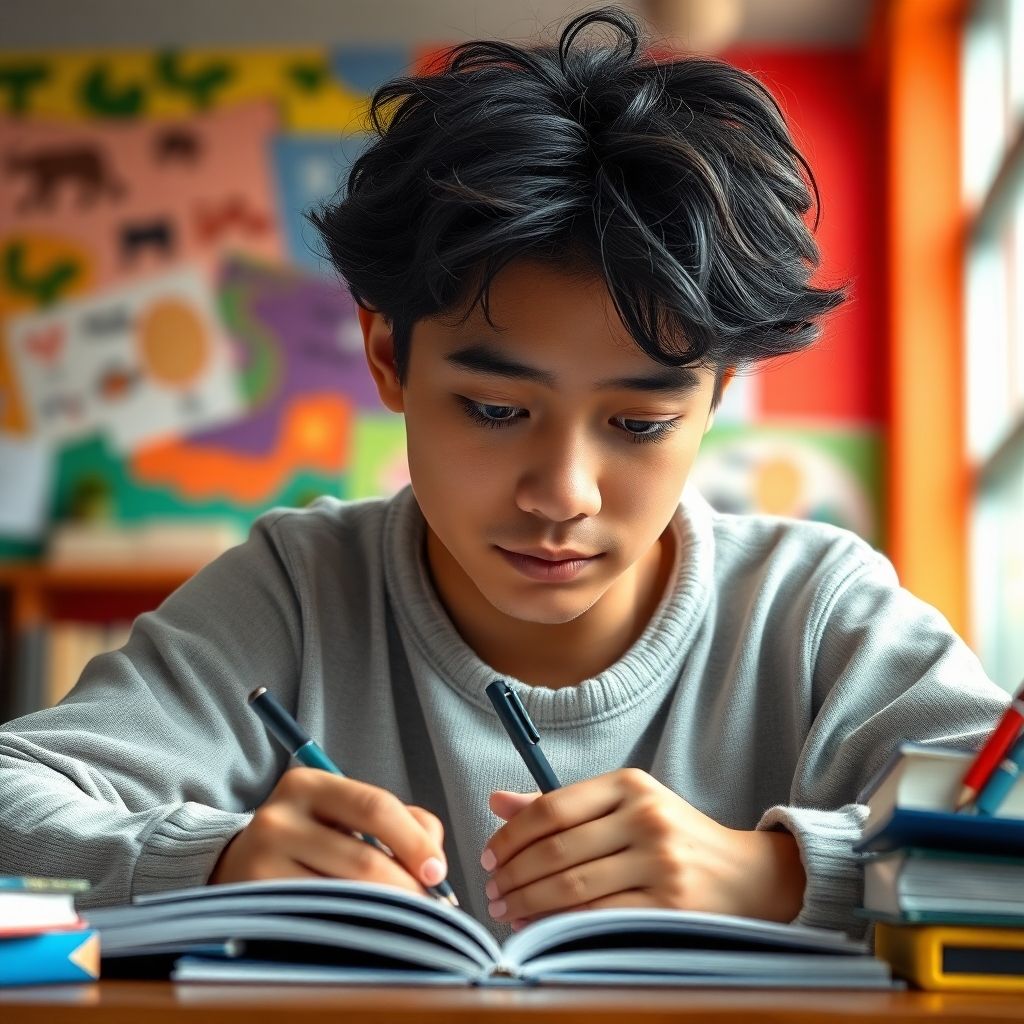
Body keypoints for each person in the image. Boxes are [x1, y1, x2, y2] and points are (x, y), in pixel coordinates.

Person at [0, 7, 1007, 940]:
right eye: (495, 410)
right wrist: (211, 860)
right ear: (387, 355)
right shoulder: (300, 592)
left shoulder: (814, 611)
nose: (563, 491)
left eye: (641, 420)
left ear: (715, 397)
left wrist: (778, 875)